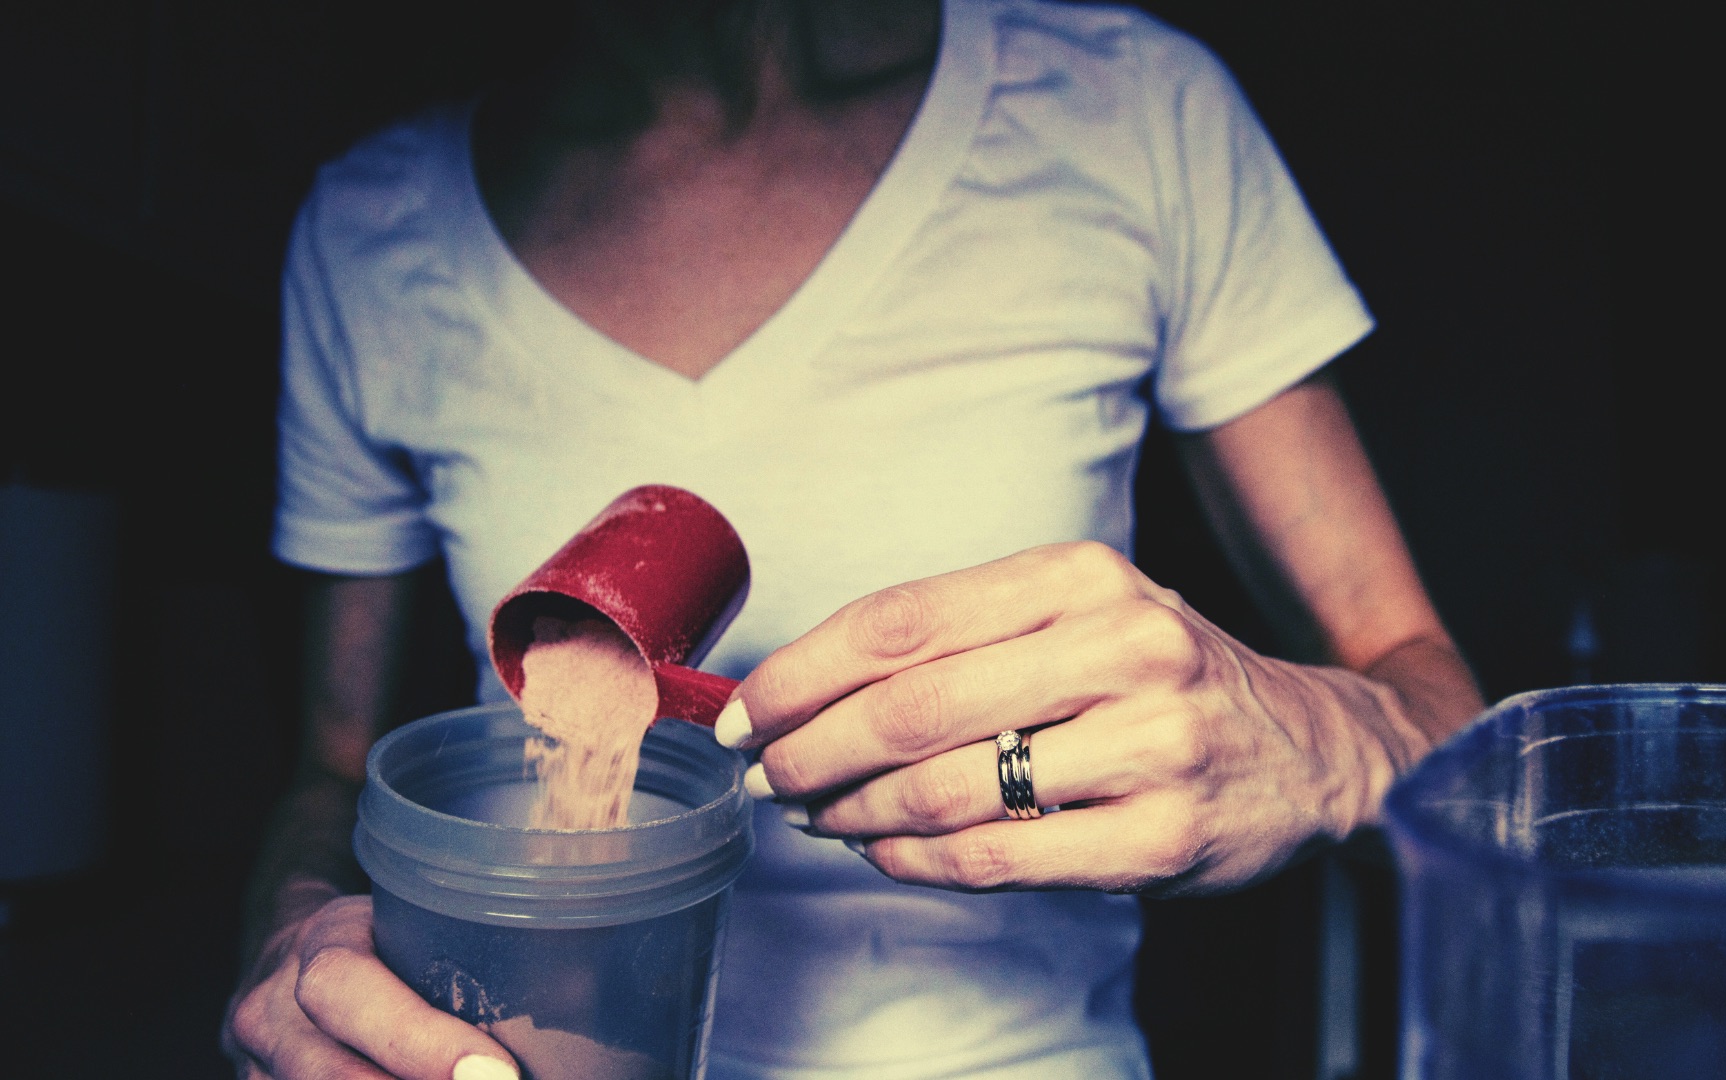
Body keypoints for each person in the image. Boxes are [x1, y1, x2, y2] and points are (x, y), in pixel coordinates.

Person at [223, 1, 1484, 1077]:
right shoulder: (370, 229)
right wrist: (294, 938)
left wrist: (1322, 741)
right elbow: (335, 773)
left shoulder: (1130, 110)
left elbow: (1435, 704)